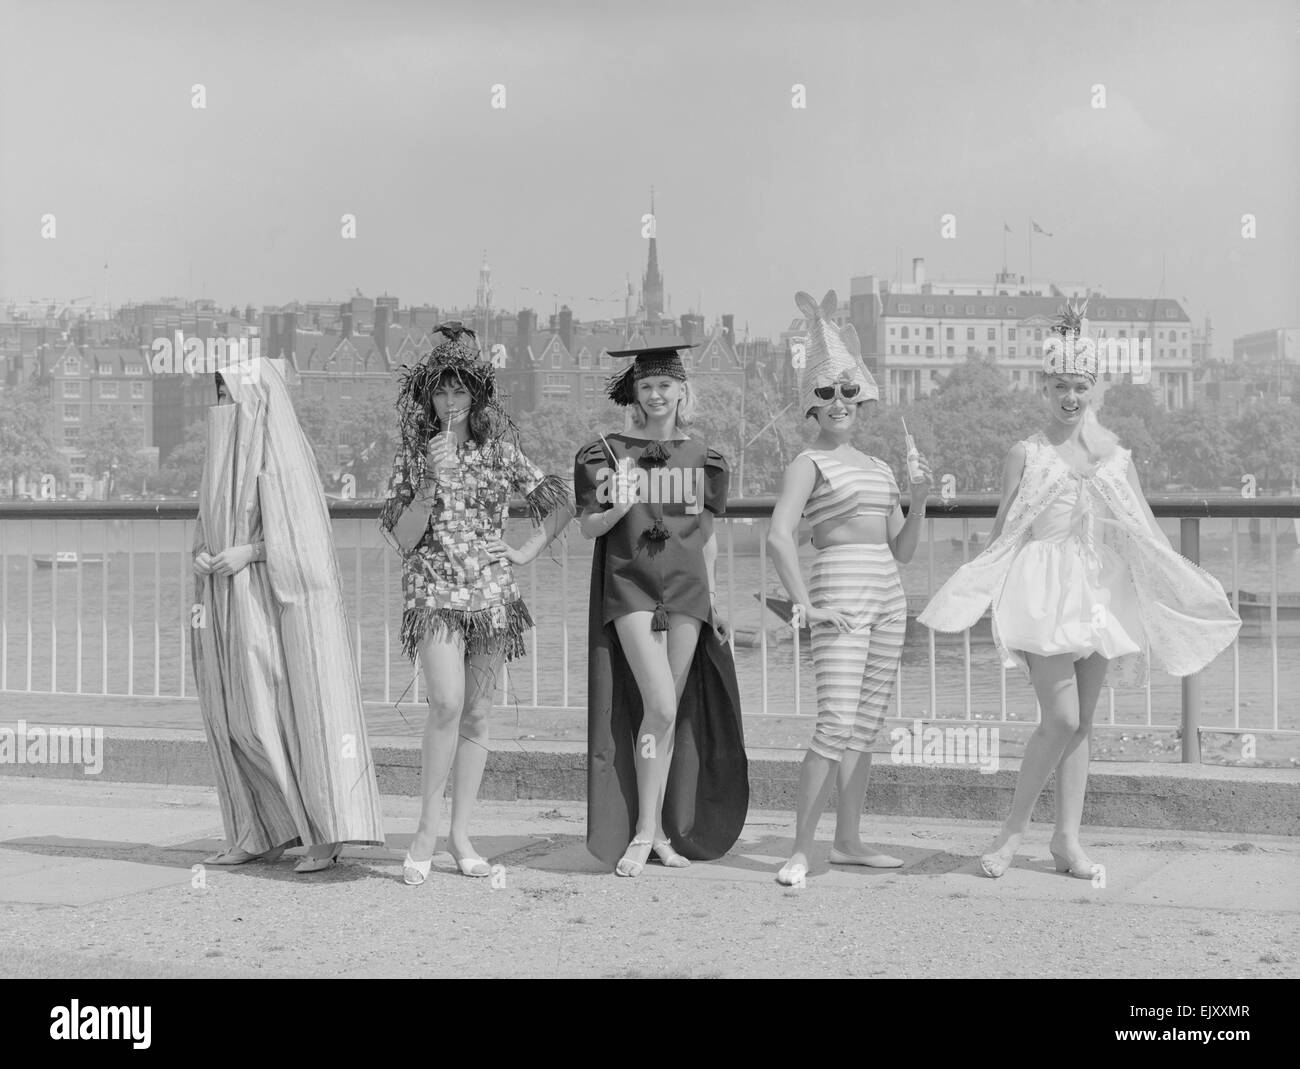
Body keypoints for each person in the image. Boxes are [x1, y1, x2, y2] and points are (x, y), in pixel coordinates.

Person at [918, 300, 1241, 879]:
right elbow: (1004, 532)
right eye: (1061, 385)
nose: (1071, 396)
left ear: (1094, 390)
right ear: (1045, 387)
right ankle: (1011, 835)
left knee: (1084, 722)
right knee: (1061, 717)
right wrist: (972, 591)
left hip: (1099, 590)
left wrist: (1183, 585)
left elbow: (1144, 529)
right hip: (1043, 595)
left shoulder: (1115, 458)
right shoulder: (1027, 453)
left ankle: (1066, 841)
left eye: (1081, 386)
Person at [380, 323, 572, 887]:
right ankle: (425, 831)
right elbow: (402, 537)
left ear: (477, 395)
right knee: (445, 702)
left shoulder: (500, 450)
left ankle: (462, 834)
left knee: (479, 713)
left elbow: (559, 504)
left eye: (460, 391)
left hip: (490, 591)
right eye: (441, 392)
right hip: (435, 585)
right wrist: (429, 484)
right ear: (427, 398)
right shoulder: (415, 454)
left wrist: (525, 550)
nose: (450, 402)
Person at [192, 360, 385, 874]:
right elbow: (207, 519)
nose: (221, 404)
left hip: (274, 611)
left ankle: (324, 835)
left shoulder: (283, 455)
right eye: (217, 393)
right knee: (238, 719)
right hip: (229, 606)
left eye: (230, 393)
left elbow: (305, 540)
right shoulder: (222, 453)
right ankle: (261, 828)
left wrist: (248, 554)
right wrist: (205, 555)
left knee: (295, 718)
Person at [766, 290, 932, 887]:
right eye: (827, 393)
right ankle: (801, 849)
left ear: (861, 398)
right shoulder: (808, 463)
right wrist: (806, 607)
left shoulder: (881, 467)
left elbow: (903, 551)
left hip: (887, 597)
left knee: (865, 726)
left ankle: (849, 840)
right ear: (812, 404)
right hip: (837, 593)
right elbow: (780, 537)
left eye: (848, 391)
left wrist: (918, 500)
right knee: (833, 723)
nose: (840, 402)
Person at [575, 343, 748, 876]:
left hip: (688, 590)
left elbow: (708, 537)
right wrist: (620, 507)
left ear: (681, 392)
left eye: (664, 386)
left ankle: (654, 831)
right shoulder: (605, 453)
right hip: (629, 585)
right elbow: (588, 526)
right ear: (634, 392)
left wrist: (716, 599)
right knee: (662, 707)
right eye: (646, 386)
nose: (655, 395)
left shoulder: (704, 459)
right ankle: (644, 832)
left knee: (664, 714)